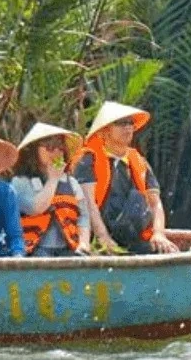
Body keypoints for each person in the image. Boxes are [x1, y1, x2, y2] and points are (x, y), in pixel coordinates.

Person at [73, 101, 180, 255]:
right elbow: (88, 203)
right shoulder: (88, 159)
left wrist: (158, 234)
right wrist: (103, 237)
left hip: (133, 235)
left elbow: (155, 203)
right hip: (95, 237)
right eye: (121, 123)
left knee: (169, 253)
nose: (128, 127)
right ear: (104, 130)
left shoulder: (139, 161)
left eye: (130, 123)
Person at [12, 122, 104, 257]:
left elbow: (83, 216)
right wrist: (53, 179)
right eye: (49, 147)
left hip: (68, 248)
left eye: (60, 148)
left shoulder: (72, 183)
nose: (56, 152)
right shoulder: (20, 182)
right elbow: (35, 208)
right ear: (33, 151)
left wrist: (84, 244)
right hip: (34, 250)